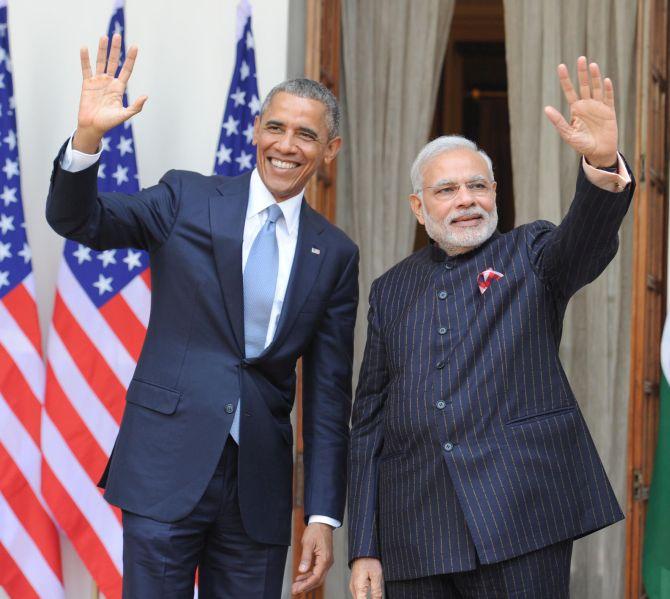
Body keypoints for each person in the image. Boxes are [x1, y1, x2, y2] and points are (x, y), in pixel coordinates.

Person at [46, 34, 358, 598]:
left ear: (329, 150)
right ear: (256, 128)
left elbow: (330, 395)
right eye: (276, 127)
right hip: (166, 468)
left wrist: (322, 514)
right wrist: (87, 139)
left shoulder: (334, 253)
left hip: (258, 493)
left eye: (306, 135)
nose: (286, 145)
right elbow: (80, 220)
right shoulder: (185, 198)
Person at [347, 57, 633, 599]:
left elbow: (585, 243)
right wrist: (365, 543)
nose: (465, 201)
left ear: (495, 192)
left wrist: (600, 166)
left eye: (477, 186)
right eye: (447, 190)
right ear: (418, 206)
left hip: (520, 518)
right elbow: (368, 426)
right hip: (416, 534)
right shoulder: (390, 290)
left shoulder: (531, 254)